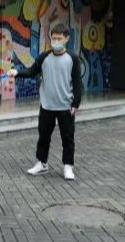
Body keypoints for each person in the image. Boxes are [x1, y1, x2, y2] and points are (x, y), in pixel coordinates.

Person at [7, 22, 82, 180]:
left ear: (67, 39)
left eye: (59, 38)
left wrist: (76, 103)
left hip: (65, 106)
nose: (55, 41)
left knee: (68, 138)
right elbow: (31, 71)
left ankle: (68, 166)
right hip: (47, 105)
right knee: (43, 137)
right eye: (53, 38)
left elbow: (77, 83)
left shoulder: (73, 59)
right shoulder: (44, 57)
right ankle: (42, 163)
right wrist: (17, 72)